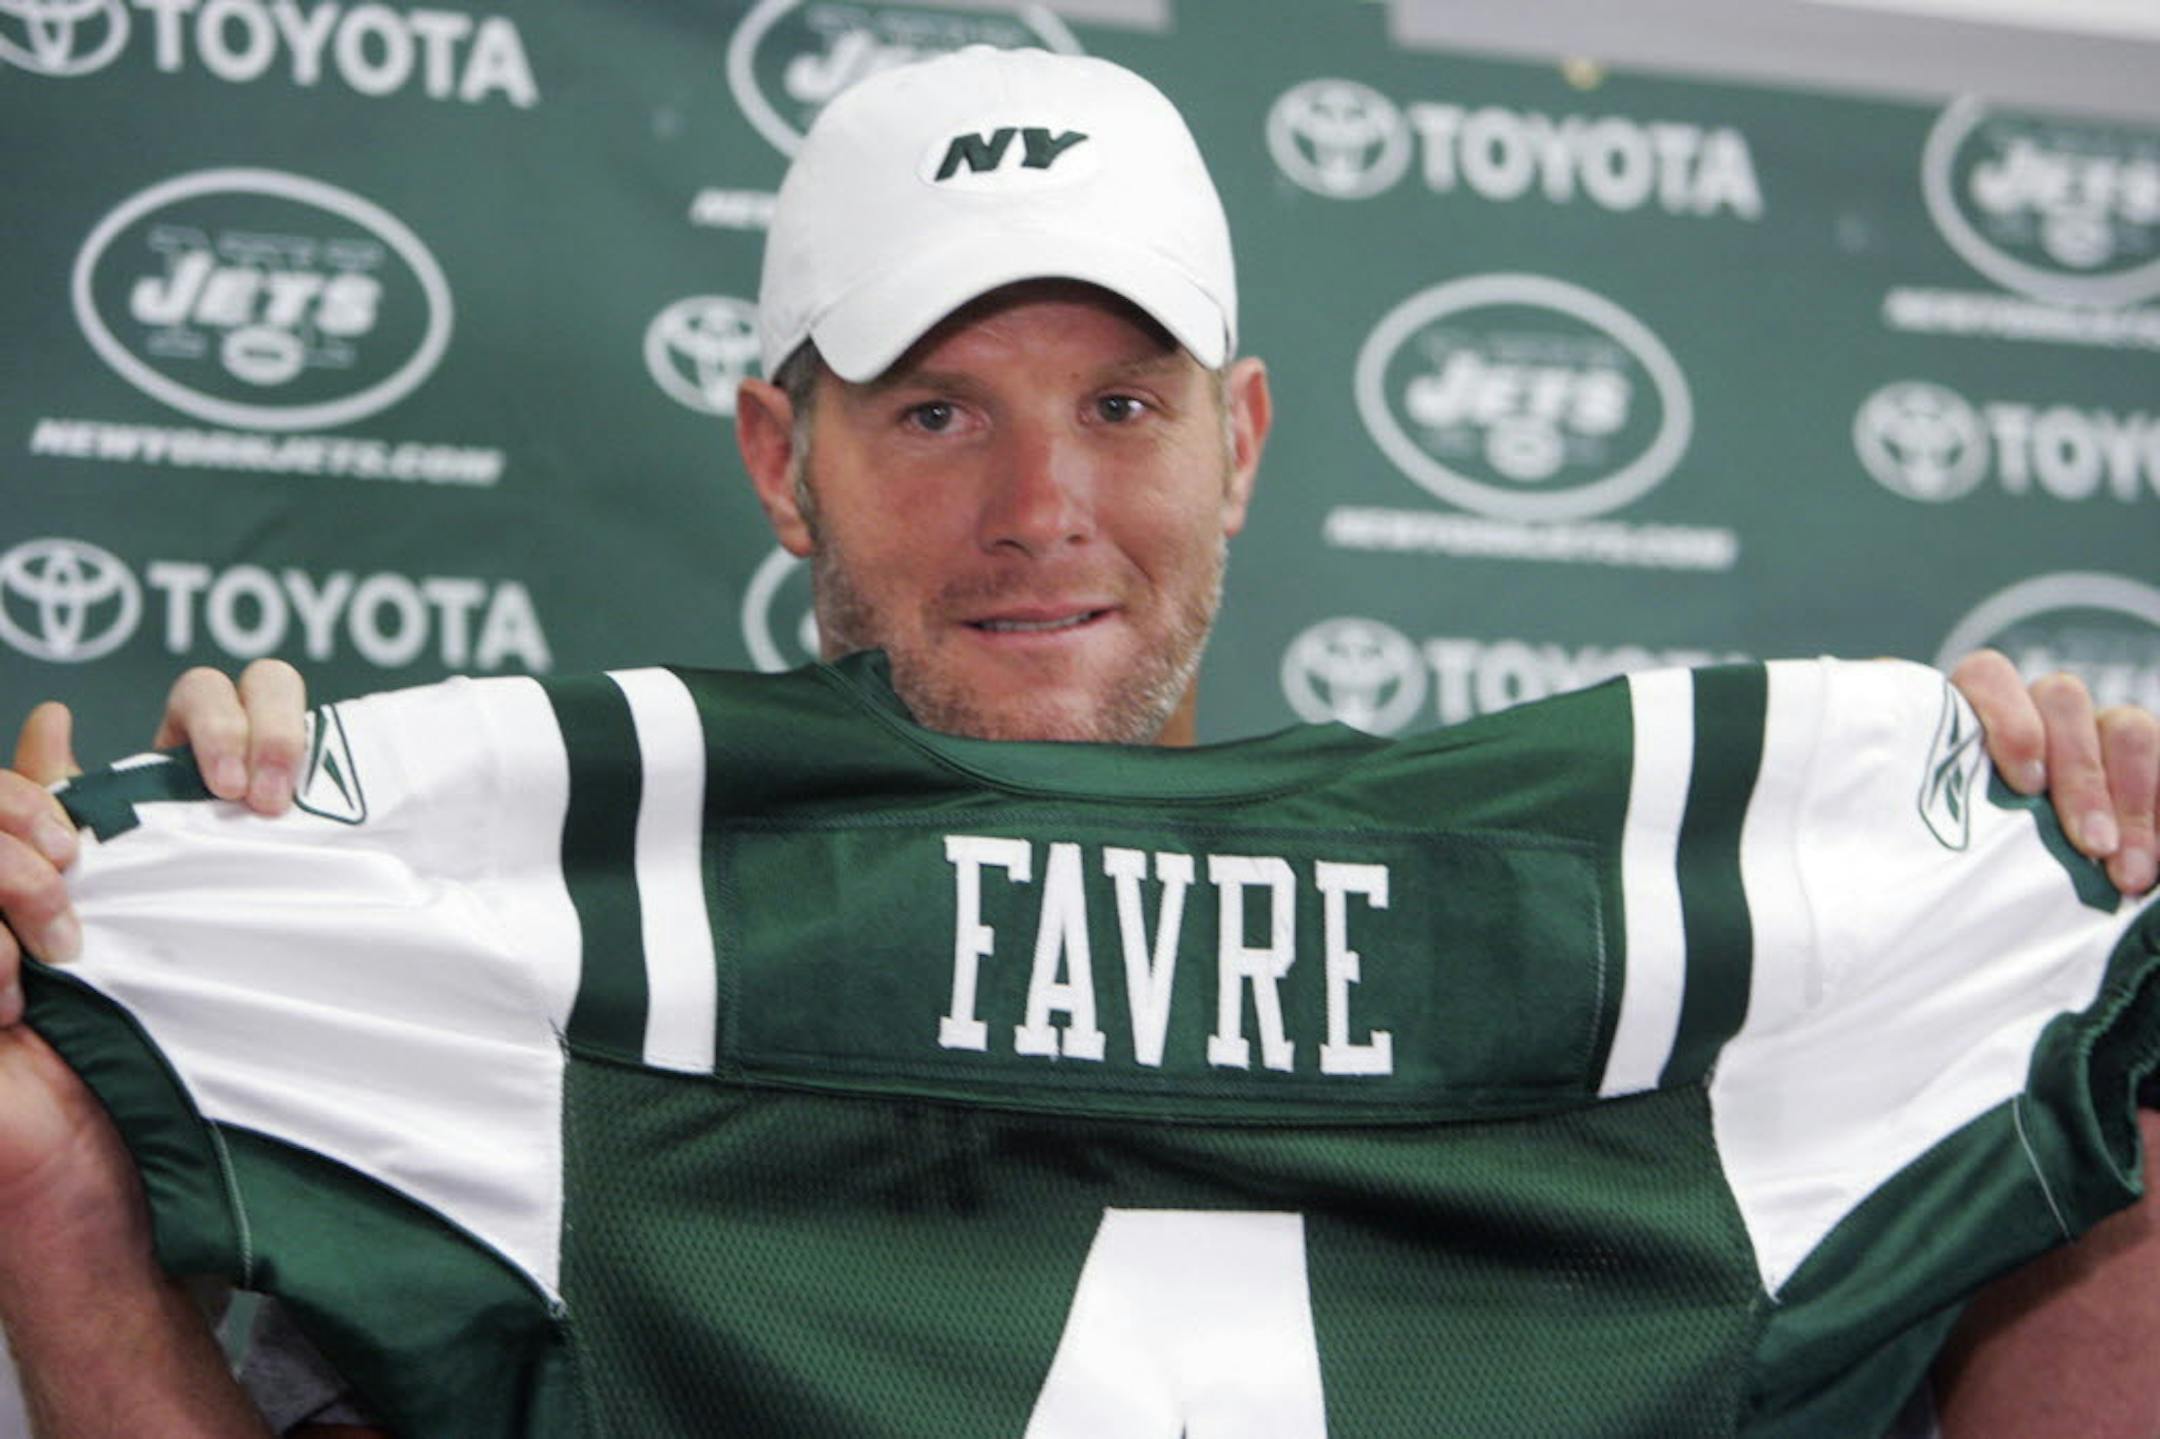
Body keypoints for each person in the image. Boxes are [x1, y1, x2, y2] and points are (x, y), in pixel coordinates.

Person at [0, 44, 2154, 1439]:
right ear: (781, 453)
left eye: (1122, 406)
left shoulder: (1687, 906)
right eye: (936, 410)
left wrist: (2089, 923)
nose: (1040, 511)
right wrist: (73, 1068)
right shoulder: (544, 906)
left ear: (1244, 442)